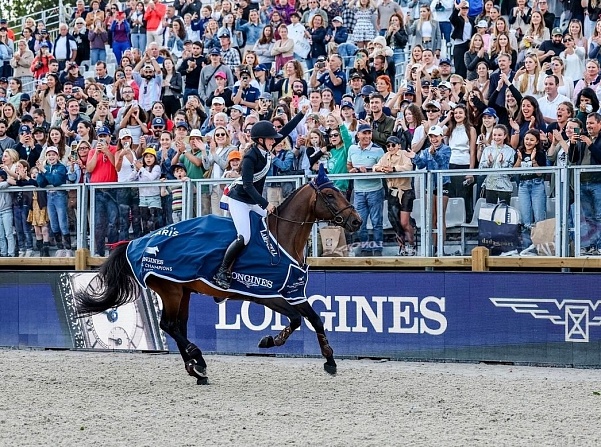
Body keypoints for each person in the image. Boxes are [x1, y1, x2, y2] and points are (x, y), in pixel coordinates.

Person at [213, 110, 306, 290]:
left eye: (273, 139)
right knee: (244, 237)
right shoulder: (250, 157)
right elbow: (247, 186)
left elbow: (285, 130)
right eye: (270, 138)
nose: (274, 141)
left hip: (252, 200)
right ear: (260, 140)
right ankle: (222, 271)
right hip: (239, 200)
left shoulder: (267, 147)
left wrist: (301, 114)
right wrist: (265, 204)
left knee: (274, 223)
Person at [373, 135, 416, 255]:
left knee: (404, 222)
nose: (390, 147)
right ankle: (402, 248)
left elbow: (409, 167)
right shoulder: (385, 156)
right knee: (395, 222)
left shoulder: (404, 154)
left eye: (393, 145)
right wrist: (381, 169)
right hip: (392, 192)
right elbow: (374, 167)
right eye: (388, 145)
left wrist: (393, 168)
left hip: (405, 191)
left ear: (398, 145)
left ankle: (412, 245)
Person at [347, 123, 385, 256]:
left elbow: (384, 168)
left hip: (375, 190)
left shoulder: (379, 150)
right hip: (358, 191)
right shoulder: (352, 149)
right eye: (364, 133)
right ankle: (365, 248)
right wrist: (353, 170)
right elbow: (349, 165)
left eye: (369, 133)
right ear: (358, 135)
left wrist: (368, 170)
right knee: (360, 223)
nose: (367, 136)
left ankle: (378, 249)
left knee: (376, 222)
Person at [35, 146, 73, 257]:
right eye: (49, 155)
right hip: (49, 196)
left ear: (57, 156)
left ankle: (68, 248)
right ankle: (60, 247)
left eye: (53, 154)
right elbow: (41, 183)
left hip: (59, 195)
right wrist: (40, 172)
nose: (51, 157)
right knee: (54, 224)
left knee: (62, 223)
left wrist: (44, 171)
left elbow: (56, 181)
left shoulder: (61, 167)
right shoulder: (45, 167)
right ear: (46, 156)